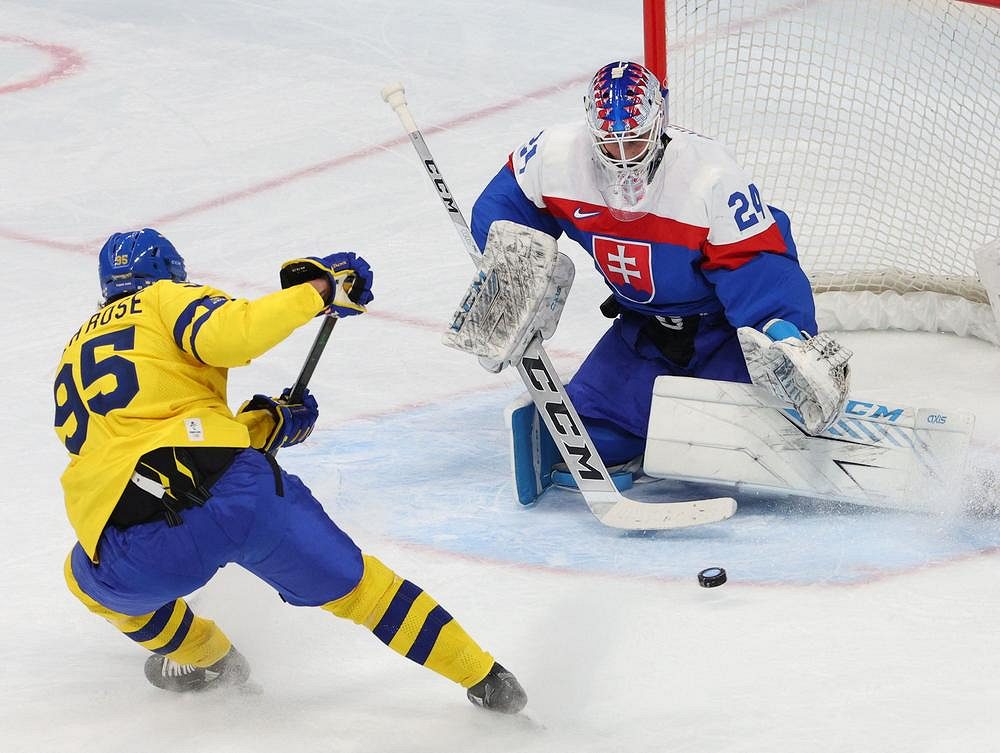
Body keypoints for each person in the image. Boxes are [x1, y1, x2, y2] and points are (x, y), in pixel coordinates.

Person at [53, 228, 526, 713]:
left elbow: (147, 444)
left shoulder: (72, 353)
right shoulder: (164, 300)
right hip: (240, 495)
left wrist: (267, 421)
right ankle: (487, 678)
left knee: (87, 583)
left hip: (134, 534)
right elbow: (230, 337)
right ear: (171, 275)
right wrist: (317, 292)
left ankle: (211, 658)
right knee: (367, 592)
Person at [470, 60, 850, 487]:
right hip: (644, 335)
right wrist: (510, 269)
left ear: (659, 121)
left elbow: (759, 265)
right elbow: (502, 208)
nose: (623, 157)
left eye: (634, 141)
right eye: (609, 144)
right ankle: (656, 423)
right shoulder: (555, 155)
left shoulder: (709, 174)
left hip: (721, 335)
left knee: (755, 447)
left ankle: (710, 416)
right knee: (583, 444)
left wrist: (785, 332)